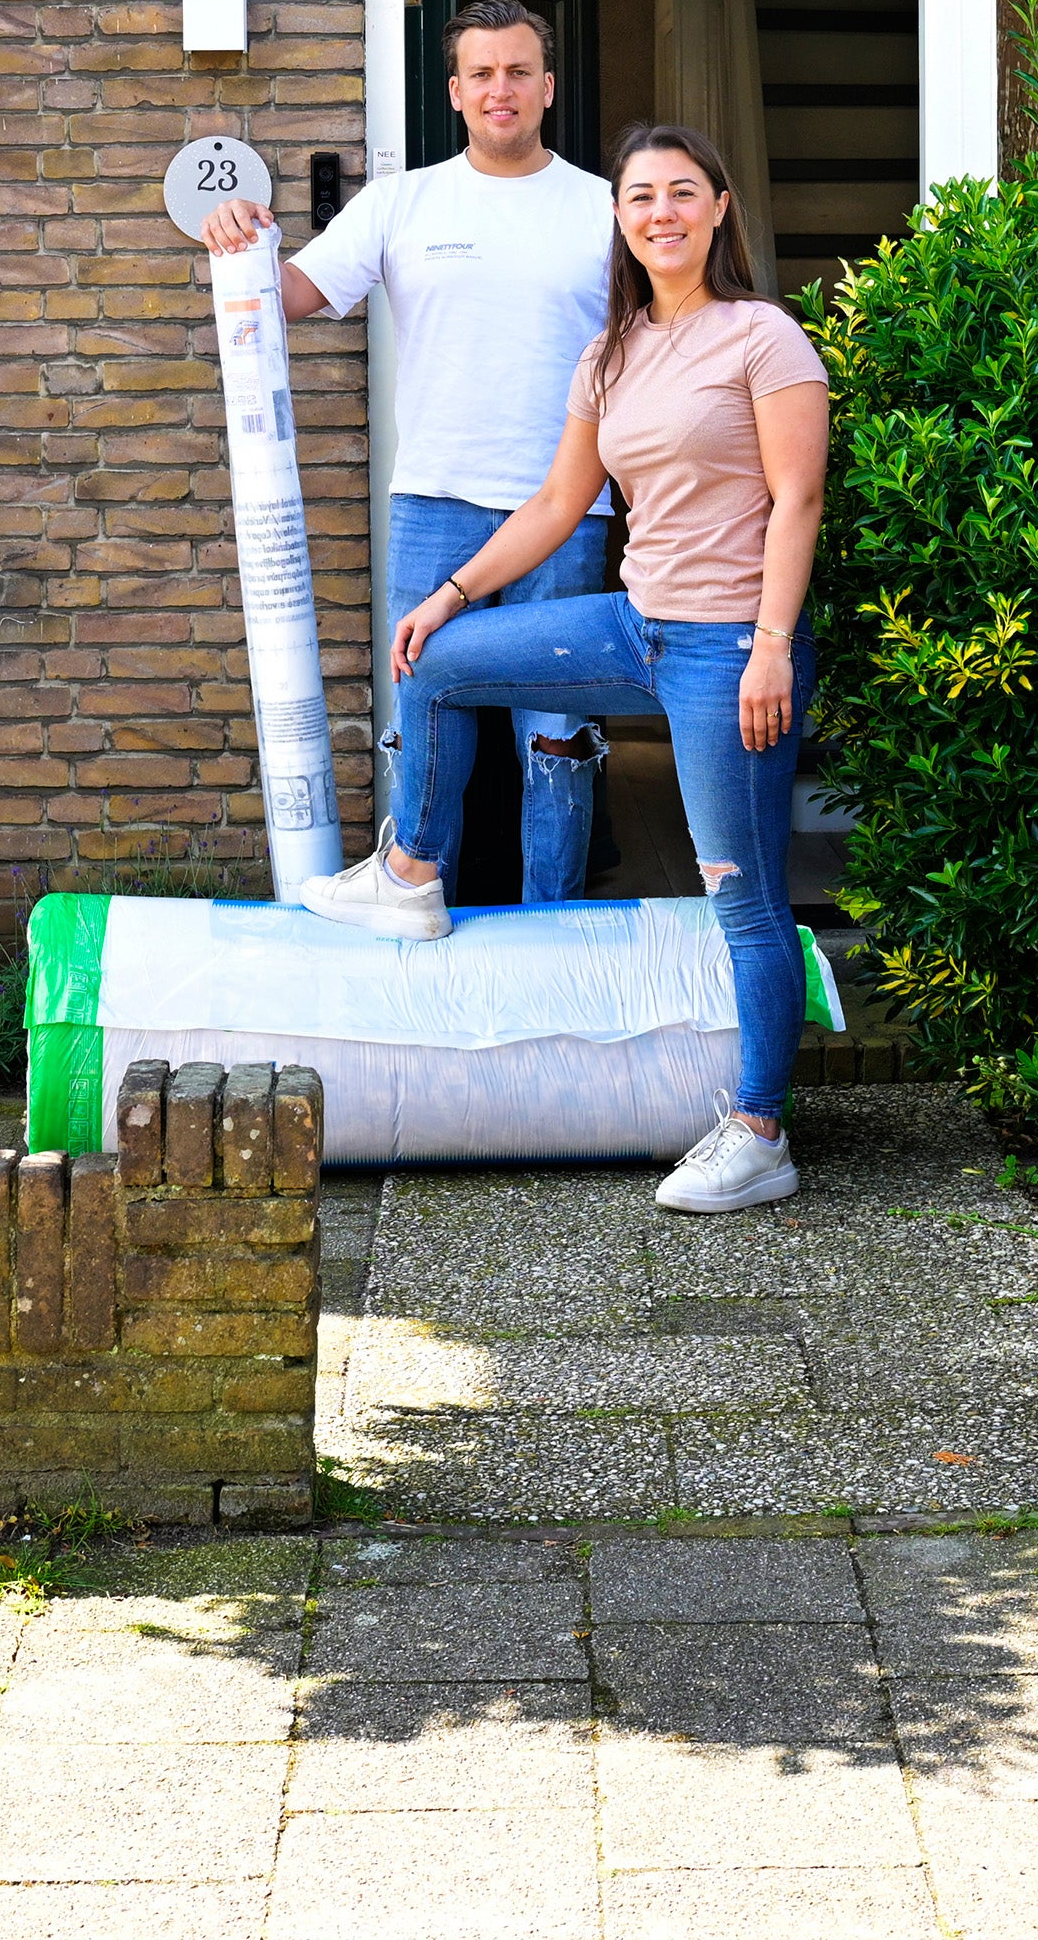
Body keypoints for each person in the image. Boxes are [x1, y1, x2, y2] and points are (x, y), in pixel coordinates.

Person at [297, 123, 831, 1216]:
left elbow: (796, 501)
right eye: (639, 197)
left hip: (727, 646)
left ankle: (758, 1129)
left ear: (717, 209)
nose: (659, 213)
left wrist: (771, 644)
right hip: (634, 627)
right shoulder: (612, 352)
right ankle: (409, 873)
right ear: (620, 220)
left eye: (682, 193)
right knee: (437, 663)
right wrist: (441, 597)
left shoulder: (761, 339)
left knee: (743, 897)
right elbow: (554, 506)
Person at [202, 0, 616, 904]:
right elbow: (291, 295)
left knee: (555, 738)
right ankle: (415, 911)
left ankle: (557, 930)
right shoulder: (402, 201)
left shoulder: (605, 210)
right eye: (481, 74)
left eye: (517, 71)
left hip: (568, 509)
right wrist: (238, 234)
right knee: (430, 729)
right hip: (434, 506)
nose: (499, 89)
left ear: (547, 87)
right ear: (455, 93)